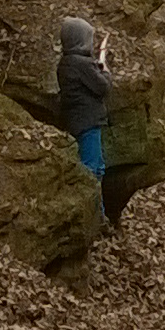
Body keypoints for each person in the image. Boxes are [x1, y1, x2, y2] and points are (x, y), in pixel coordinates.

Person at [57, 18, 113, 197]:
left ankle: (98, 215)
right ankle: (96, 216)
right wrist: (105, 70)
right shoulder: (82, 64)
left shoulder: (66, 62)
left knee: (92, 168)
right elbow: (103, 87)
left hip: (76, 121)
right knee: (93, 170)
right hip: (89, 123)